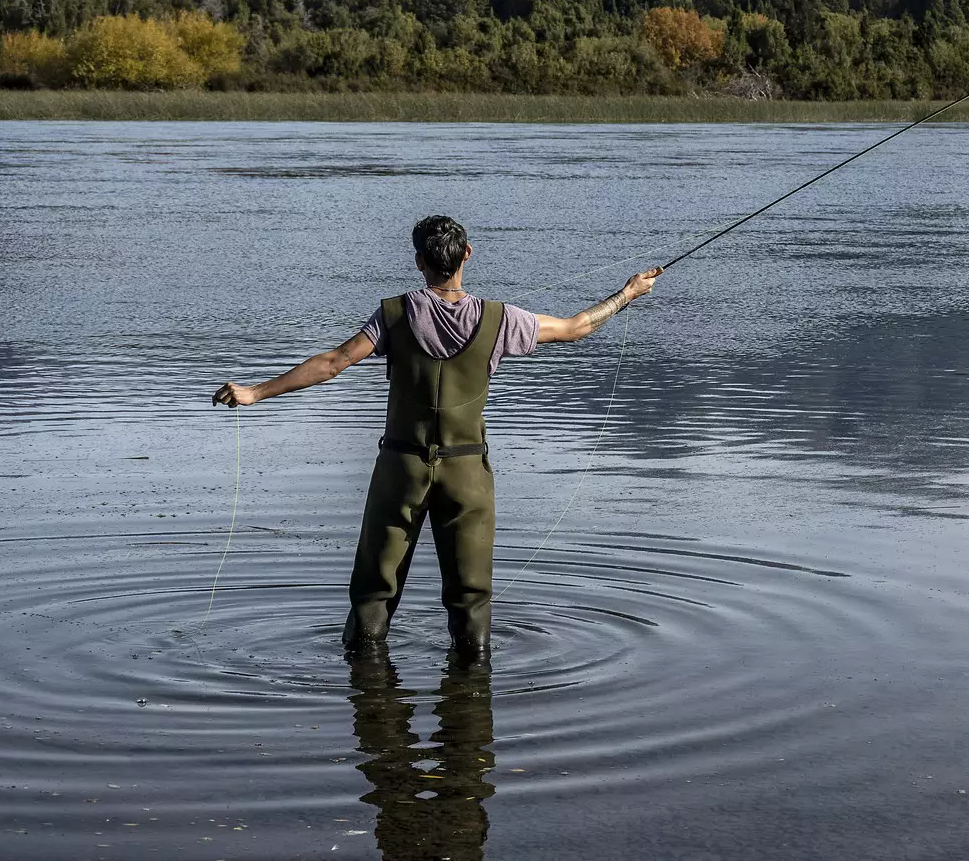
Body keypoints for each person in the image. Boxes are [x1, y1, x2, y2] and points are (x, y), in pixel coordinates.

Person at [212, 214, 660, 655]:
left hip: (401, 469)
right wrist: (629, 293)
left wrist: (256, 391)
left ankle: (367, 690)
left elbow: (334, 363)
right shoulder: (500, 319)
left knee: (374, 591)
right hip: (467, 474)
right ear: (467, 254)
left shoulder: (393, 314)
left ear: (418, 261)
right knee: (471, 597)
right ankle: (471, 697)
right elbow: (576, 328)